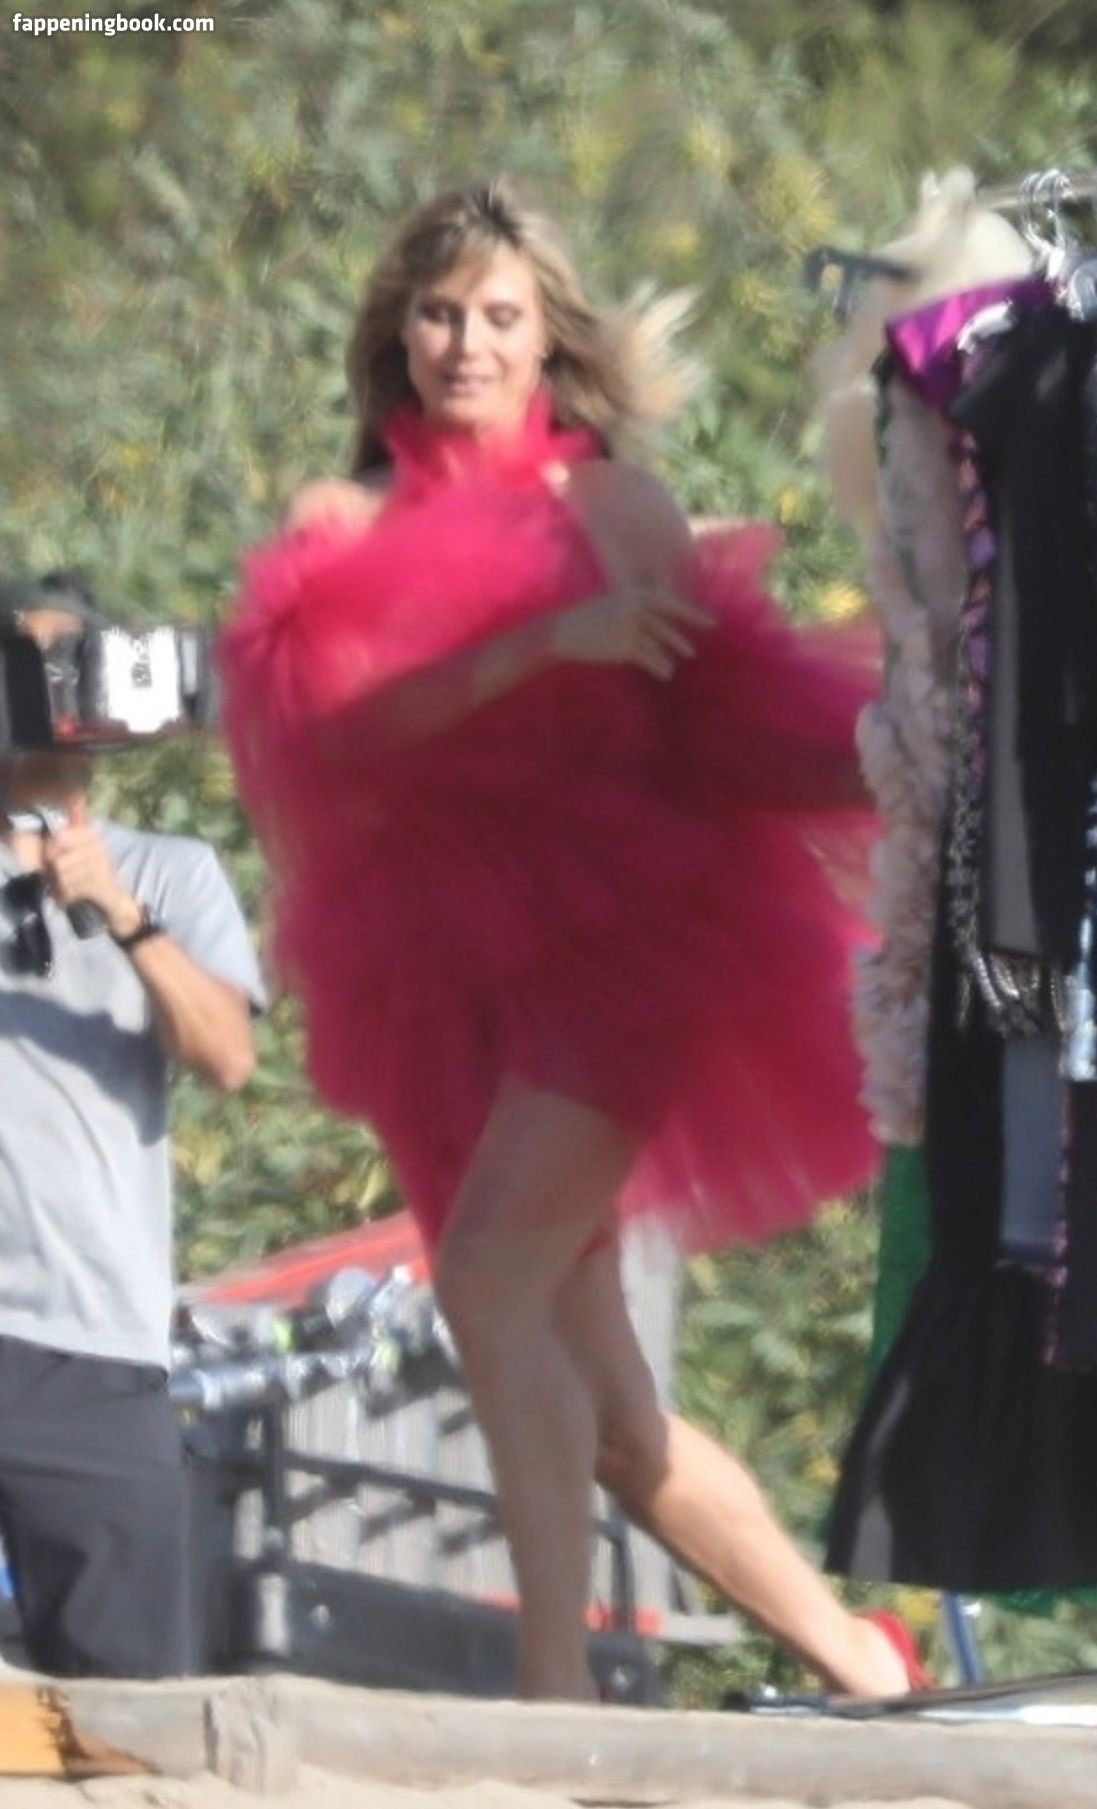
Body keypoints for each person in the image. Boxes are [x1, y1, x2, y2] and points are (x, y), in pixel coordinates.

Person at [219, 180, 926, 1702]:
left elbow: (723, 733)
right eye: (437, 313)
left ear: (550, 339)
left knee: (486, 1284)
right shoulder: (338, 523)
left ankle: (550, 1689)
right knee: (606, 1408)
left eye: (498, 315)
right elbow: (336, 733)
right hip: (430, 986)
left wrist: (911, 755)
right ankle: (864, 1667)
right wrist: (541, 642)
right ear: (396, 334)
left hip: (629, 953)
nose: (465, 343)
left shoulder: (614, 511)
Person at [0, 578, 265, 1676]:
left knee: (124, 1713)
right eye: (30, 670)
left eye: (74, 671)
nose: (53, 699)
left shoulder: (170, 871)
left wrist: (121, 915)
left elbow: (226, 1056)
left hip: (95, 1347)